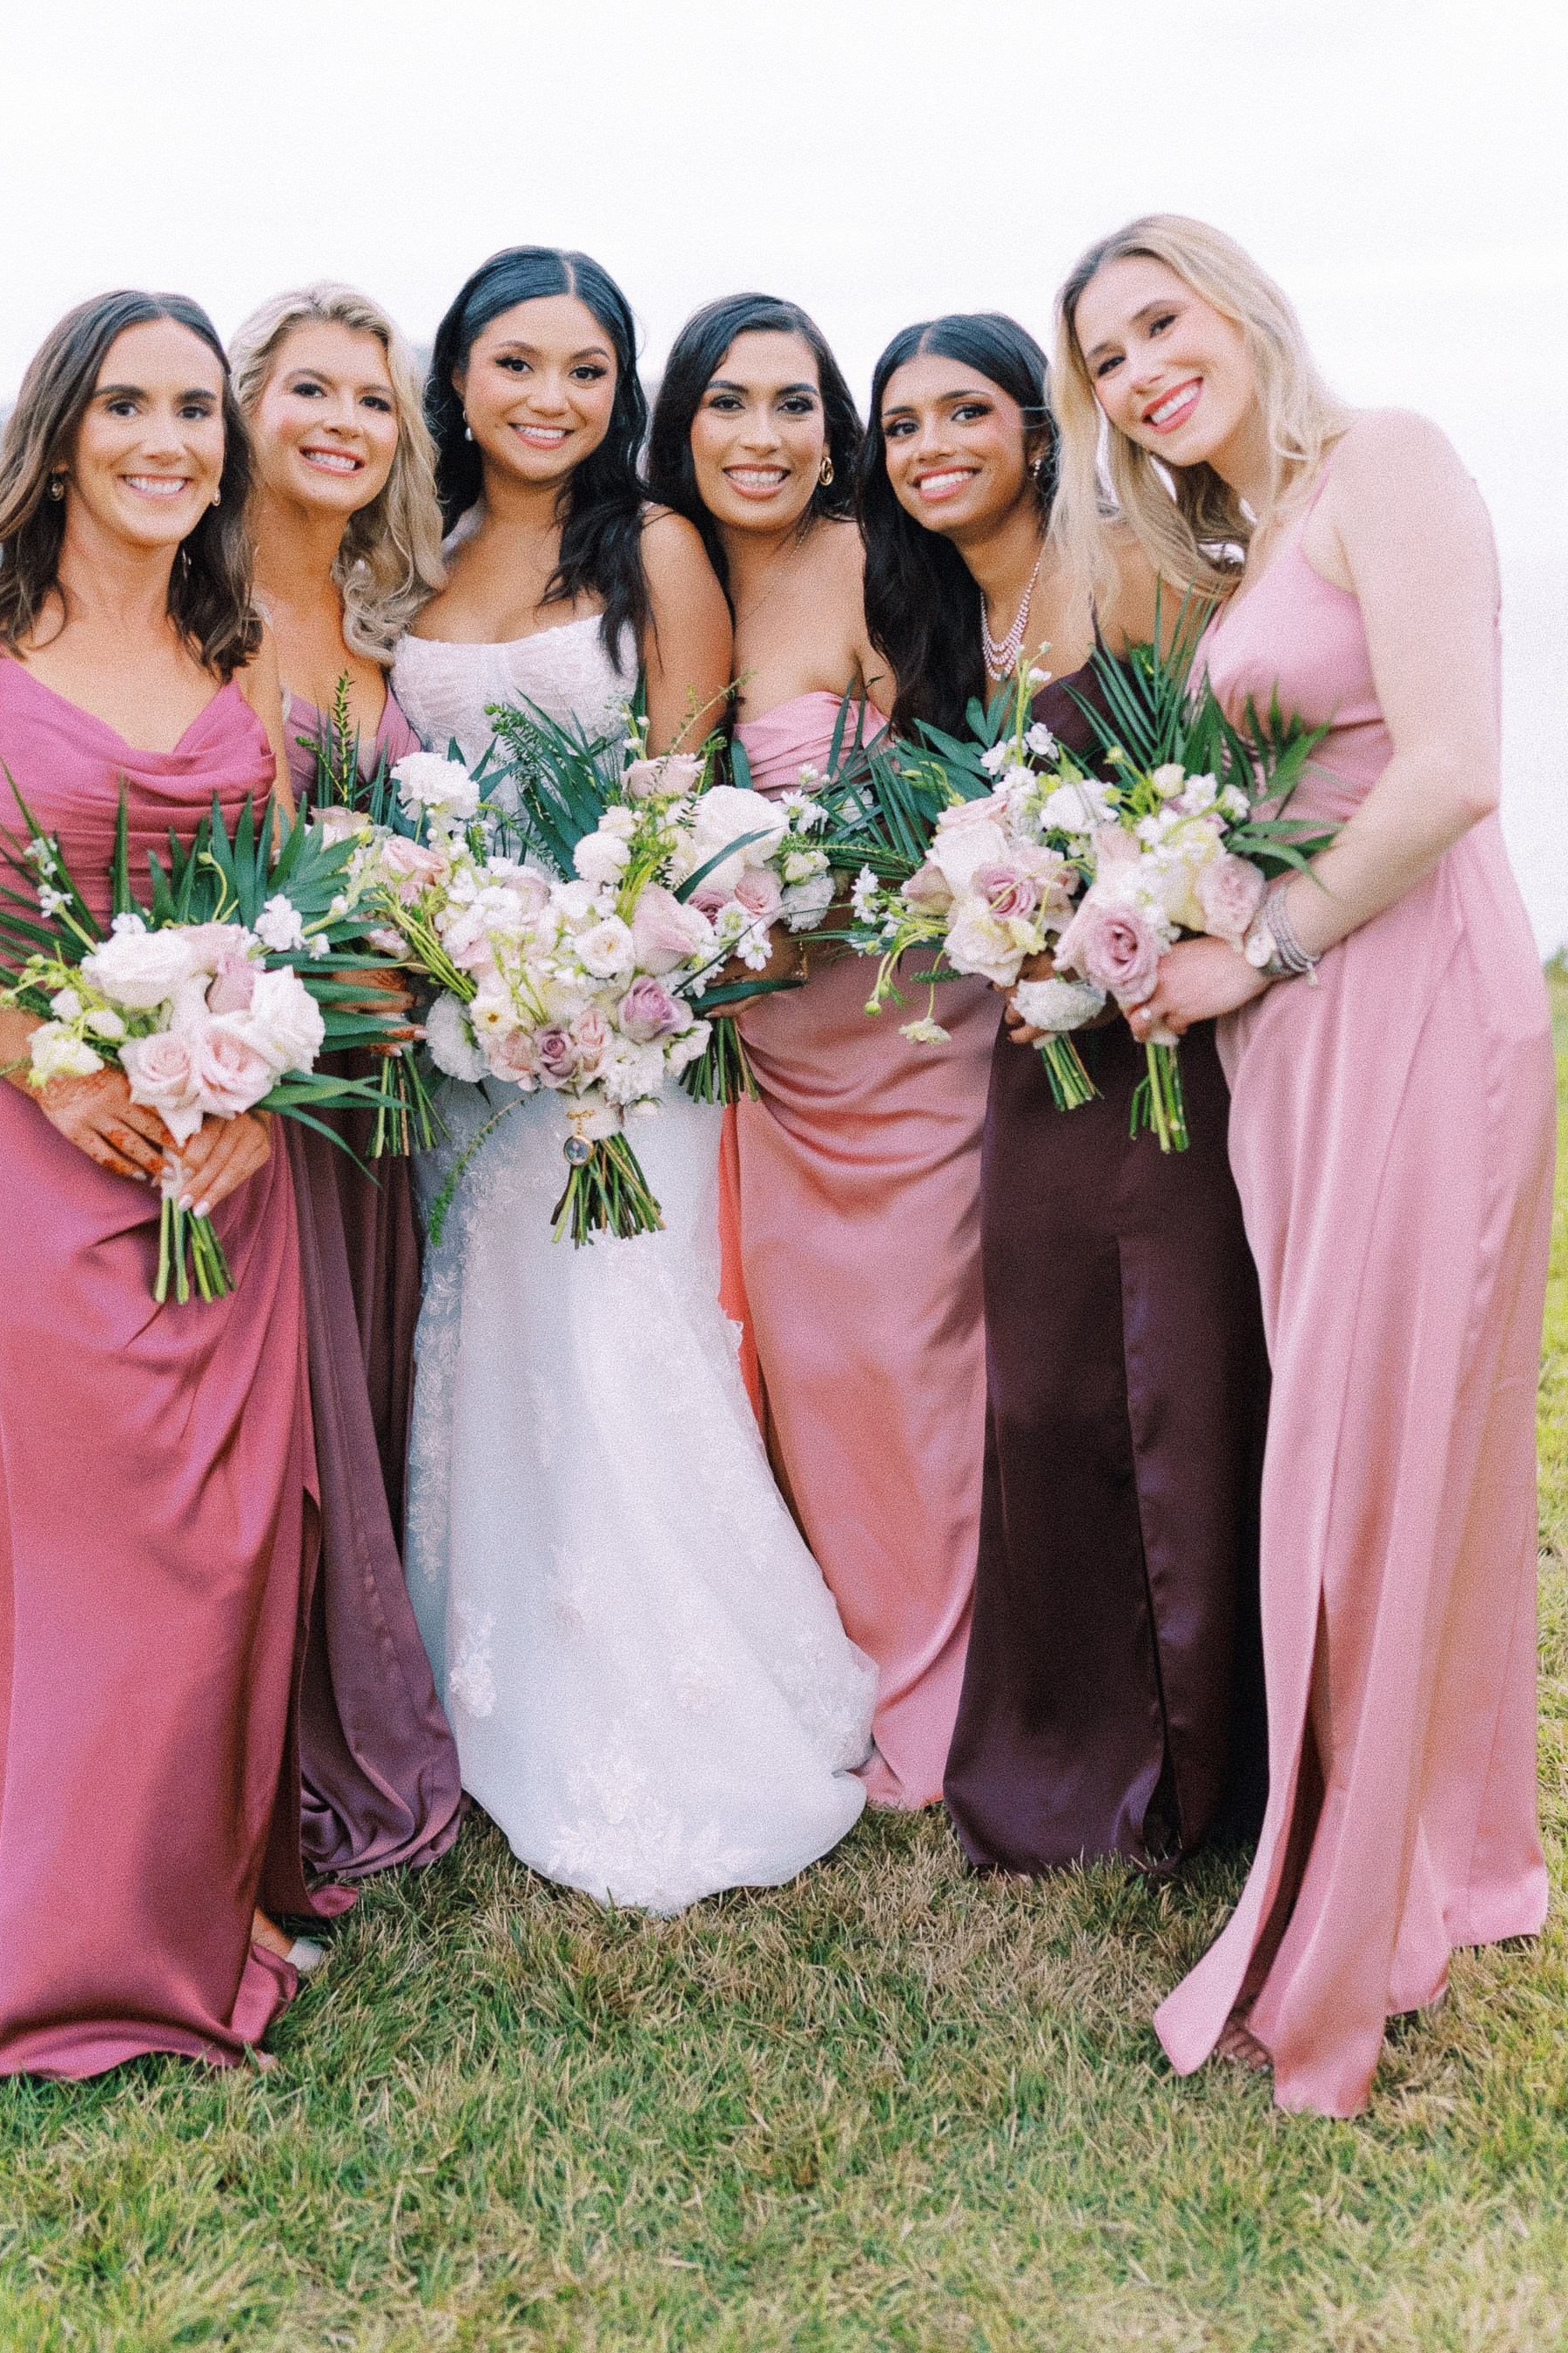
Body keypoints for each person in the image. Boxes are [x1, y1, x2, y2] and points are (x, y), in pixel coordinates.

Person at [1055, 212, 1554, 2115]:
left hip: (1414, 1004)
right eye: (1106, 359)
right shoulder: (1239, 545)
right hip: (1300, 1046)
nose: (1141, 372)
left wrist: (1250, 947)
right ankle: (1431, 1848)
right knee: (1359, 1443)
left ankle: (1364, 1905)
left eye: (1158, 324)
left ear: (1242, 307)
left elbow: (1449, 769)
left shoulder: (1391, 461)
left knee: (1372, 1447)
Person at [0, 291, 353, 2075]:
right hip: (34, 1147)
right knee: (73, 1544)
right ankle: (43, 1945)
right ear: (57, 430)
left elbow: (303, 916)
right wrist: (43, 1062)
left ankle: (202, 1903)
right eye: (125, 404)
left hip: (222, 1159)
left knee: (219, 1541)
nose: (164, 441)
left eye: (195, 411)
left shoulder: (249, 656)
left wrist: (264, 1100)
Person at [394, 246, 876, 1914]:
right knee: (493, 1339)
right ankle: (489, 1677)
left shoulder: (656, 547)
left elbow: (677, 790)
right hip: (471, 1037)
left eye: (588, 370)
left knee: (628, 1332)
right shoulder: (419, 556)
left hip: (626, 1021)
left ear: (618, 396)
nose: (551, 398)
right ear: (456, 377)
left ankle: (684, 1701)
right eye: (516, 363)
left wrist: (602, 962)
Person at [870, 311, 1269, 1878]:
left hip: (1166, 1040)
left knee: (1176, 1374)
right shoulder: (932, 633)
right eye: (900, 427)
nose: (930, 448)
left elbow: (1242, 776)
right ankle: (1069, 1740)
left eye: (962, 412)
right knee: (1040, 1390)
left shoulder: (1137, 570)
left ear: (1038, 429)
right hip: (1033, 1050)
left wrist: (1166, 896)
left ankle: (1203, 1762)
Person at [647, 292, 985, 1811]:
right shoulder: (664, 573)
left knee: (908, 1357)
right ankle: (841, 1656)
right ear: (681, 424)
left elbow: (963, 799)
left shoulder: (874, 563)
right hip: (765, 1063)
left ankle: (954, 1686)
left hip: (903, 1040)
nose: (763, 437)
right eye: (729, 402)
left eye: (795, 405)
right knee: (800, 1365)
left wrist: (825, 888)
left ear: (834, 431)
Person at [232, 283, 461, 1884]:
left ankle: (356, 1687)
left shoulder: (388, 642)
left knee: (365, 1397)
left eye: (373, 401)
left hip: (378, 1093)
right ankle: (251, 1742)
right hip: (252, 1090)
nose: (343, 424)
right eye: (309, 389)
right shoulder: (187, 623)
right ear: (244, 404)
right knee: (268, 1425)